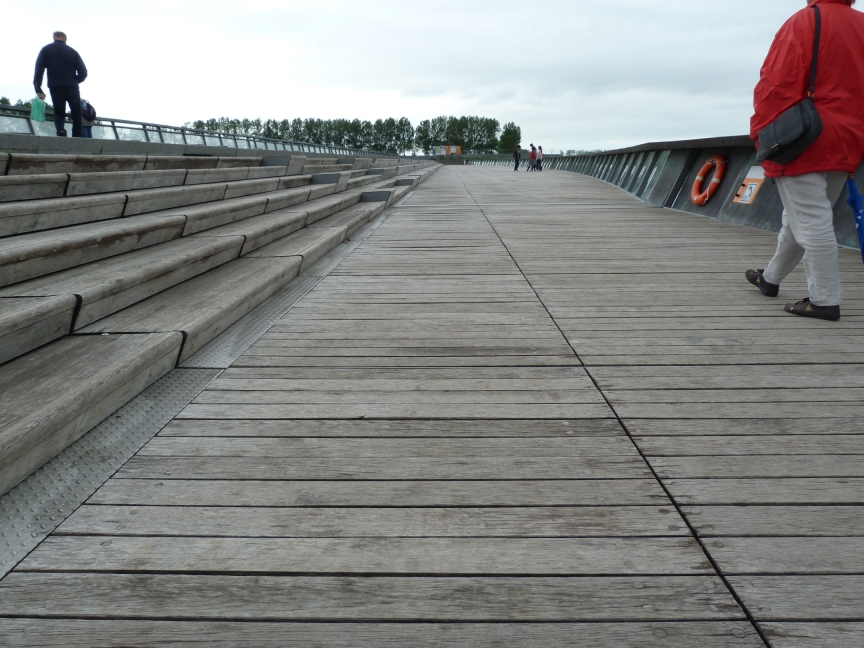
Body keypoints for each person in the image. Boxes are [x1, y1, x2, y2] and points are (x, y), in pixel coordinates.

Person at [746, 0, 864, 321]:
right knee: (802, 215)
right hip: (848, 138)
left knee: (811, 220)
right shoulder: (860, 24)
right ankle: (769, 278)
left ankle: (824, 299)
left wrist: (761, 133)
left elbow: (776, 83)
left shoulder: (805, 20)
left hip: (806, 137)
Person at [33, 31, 88, 138]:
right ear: (65, 39)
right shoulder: (73, 52)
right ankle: (77, 135)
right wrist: (76, 80)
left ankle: (61, 130)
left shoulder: (46, 50)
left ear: (54, 38)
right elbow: (84, 72)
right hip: (72, 86)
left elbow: (39, 69)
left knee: (59, 111)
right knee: (76, 112)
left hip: (55, 85)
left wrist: (38, 87)